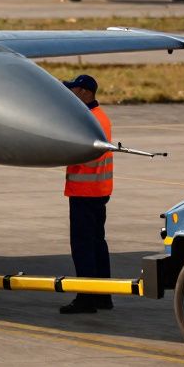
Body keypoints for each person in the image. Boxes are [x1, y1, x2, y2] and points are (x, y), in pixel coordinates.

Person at [59, 74, 114, 315]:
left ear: (84, 92)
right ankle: (103, 296)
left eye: (73, 89)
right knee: (98, 244)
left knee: (83, 246)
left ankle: (86, 298)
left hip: (85, 192)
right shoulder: (101, 117)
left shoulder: (87, 120)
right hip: (99, 191)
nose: (70, 93)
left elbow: (74, 152)